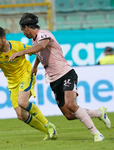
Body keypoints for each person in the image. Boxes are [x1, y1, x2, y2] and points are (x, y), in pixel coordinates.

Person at [9, 13, 111, 142]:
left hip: (66, 74)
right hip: (53, 80)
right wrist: (35, 66)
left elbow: (41, 46)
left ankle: (96, 133)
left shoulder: (44, 34)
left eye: (23, 30)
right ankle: (99, 113)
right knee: (69, 115)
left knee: (71, 104)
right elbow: (39, 52)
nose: (23, 33)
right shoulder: (34, 41)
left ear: (27, 27)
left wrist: (20, 53)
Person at [0, 27, 57, 140]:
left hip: (26, 75)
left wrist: (37, 66)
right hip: (12, 82)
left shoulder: (17, 46)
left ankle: (48, 125)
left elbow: (37, 51)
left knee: (23, 102)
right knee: (21, 115)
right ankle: (50, 131)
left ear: (3, 38)